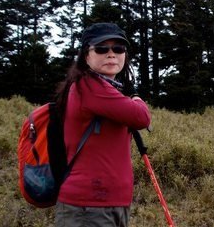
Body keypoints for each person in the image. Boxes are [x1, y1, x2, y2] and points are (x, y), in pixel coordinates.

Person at [54, 23, 151, 226]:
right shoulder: (89, 86)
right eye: (101, 48)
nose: (111, 54)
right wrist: (136, 98)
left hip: (106, 203)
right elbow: (141, 117)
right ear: (86, 56)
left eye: (118, 49)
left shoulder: (103, 88)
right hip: (89, 206)